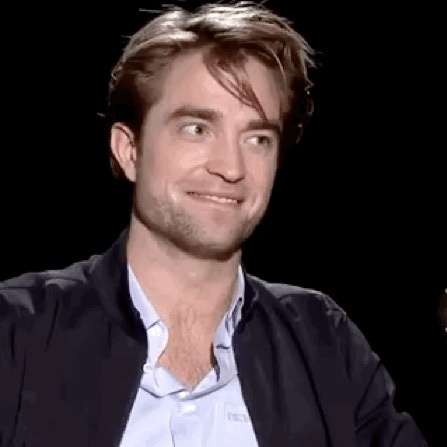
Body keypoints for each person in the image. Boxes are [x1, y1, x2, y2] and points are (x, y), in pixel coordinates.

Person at [0, 2, 427, 446]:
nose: (231, 167)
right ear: (129, 151)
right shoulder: (16, 333)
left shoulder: (323, 343)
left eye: (257, 138)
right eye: (197, 129)